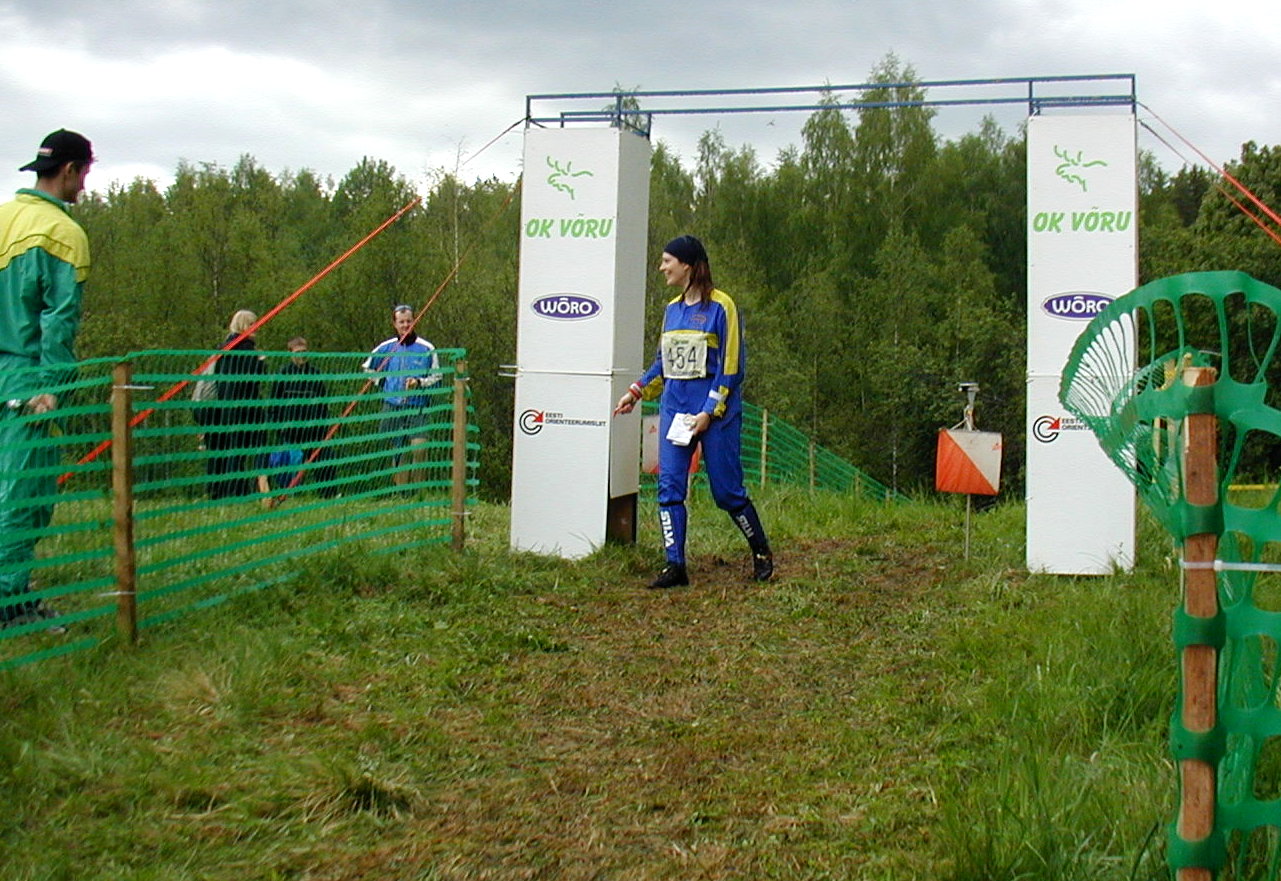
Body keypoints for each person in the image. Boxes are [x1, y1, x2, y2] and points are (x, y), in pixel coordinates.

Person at [614, 235, 774, 589]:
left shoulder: (722, 307)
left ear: (687, 264)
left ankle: (761, 551)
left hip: (716, 416)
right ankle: (675, 565)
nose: (661, 267)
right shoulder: (672, 310)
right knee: (669, 488)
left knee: (726, 492)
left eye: (667, 261)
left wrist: (709, 411)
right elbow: (664, 364)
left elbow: (732, 366)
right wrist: (636, 392)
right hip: (676, 411)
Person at [0, 129, 94, 630]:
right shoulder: (62, 233)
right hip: (26, 376)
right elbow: (58, 321)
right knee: (25, 495)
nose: (83, 187)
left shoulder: (3, 217)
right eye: (84, 174)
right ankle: (9, 604)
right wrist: (52, 386)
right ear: (71, 170)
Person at [364, 305, 441, 490]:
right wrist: (383, 383)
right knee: (399, 451)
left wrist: (419, 382)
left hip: (417, 406)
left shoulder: (427, 348)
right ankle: (402, 494)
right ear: (395, 324)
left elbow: (437, 377)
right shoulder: (386, 347)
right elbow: (367, 368)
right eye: (401, 322)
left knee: (419, 449)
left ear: (414, 321)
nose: (406, 325)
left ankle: (419, 492)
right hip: (393, 406)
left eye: (409, 321)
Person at [206, 309, 266, 500]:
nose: (256, 328)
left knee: (235, 447)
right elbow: (252, 376)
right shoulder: (245, 348)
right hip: (246, 405)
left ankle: (233, 489)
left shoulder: (224, 348)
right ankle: (250, 488)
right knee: (253, 446)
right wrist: (261, 362)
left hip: (227, 404)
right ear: (243, 325)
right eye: (252, 324)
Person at [267, 336, 337, 497]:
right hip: (291, 433)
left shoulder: (315, 374)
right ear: (290, 353)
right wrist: (280, 428)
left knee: (326, 461)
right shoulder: (283, 374)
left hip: (314, 432)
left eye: (304, 351)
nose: (302, 356)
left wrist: (322, 427)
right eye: (298, 352)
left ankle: (329, 495)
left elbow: (323, 404)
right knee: (290, 467)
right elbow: (274, 405)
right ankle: (291, 495)